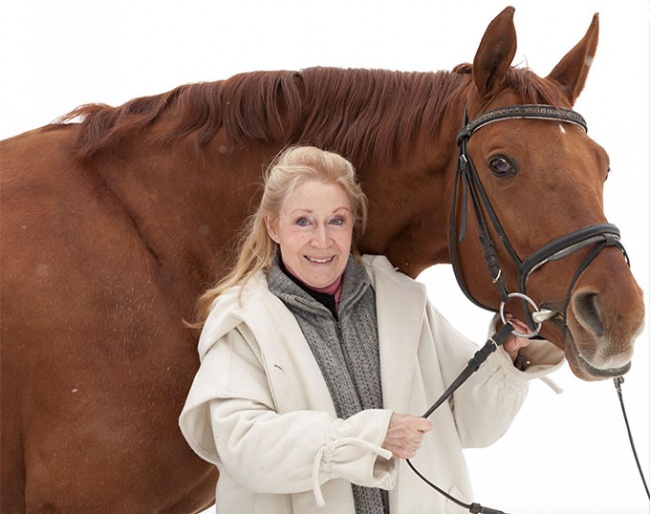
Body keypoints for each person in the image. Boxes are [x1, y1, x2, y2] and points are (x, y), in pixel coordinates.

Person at [179, 146, 564, 514]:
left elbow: (475, 425)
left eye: (337, 220)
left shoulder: (401, 302)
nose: (323, 240)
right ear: (273, 226)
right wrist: (367, 438)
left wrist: (507, 355)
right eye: (303, 221)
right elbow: (244, 446)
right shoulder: (243, 320)